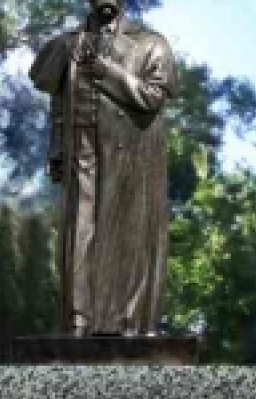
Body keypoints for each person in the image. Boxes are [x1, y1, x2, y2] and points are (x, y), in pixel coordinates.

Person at [29, 0, 178, 336]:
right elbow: (58, 100)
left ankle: (123, 322)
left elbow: (152, 97)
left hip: (128, 156)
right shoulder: (67, 44)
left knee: (124, 234)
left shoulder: (150, 43)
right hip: (81, 151)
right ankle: (78, 320)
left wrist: (105, 71)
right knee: (79, 231)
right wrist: (56, 147)